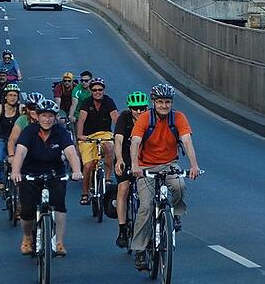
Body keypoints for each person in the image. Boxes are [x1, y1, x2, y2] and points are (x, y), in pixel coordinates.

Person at [130, 84, 201, 270]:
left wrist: (194, 165)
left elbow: (187, 141)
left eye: (167, 102)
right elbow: (135, 142)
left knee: (180, 186)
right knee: (145, 207)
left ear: (171, 103)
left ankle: (176, 214)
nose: (164, 106)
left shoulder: (178, 117)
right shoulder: (145, 118)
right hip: (145, 166)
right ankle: (139, 250)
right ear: (153, 102)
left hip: (170, 163)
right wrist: (135, 165)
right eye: (160, 102)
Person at [10, 99, 83, 256]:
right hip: (30, 173)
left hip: (55, 173)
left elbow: (70, 152)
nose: (47, 119)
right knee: (27, 210)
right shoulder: (29, 131)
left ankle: (59, 242)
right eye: (43, 115)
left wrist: (77, 170)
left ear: (55, 117)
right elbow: (21, 152)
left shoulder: (61, 132)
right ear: (37, 116)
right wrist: (15, 171)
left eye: (50, 116)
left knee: (59, 206)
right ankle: (27, 237)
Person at [113, 91, 150, 248]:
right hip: (126, 155)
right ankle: (122, 229)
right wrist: (119, 159)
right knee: (124, 187)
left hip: (145, 156)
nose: (139, 111)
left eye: (142, 108)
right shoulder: (124, 118)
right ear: (130, 108)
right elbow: (119, 140)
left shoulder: (151, 118)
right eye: (136, 108)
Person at [76, 77, 118, 205]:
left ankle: (107, 178)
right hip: (88, 136)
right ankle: (85, 193)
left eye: (100, 89)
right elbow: (81, 120)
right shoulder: (86, 102)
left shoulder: (109, 101)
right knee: (88, 166)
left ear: (103, 90)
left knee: (110, 148)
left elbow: (115, 117)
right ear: (91, 91)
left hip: (105, 134)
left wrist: (120, 132)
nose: (97, 92)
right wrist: (80, 135)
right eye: (94, 90)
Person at [0, 83, 22, 192]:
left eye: (15, 95)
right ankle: (0, 181)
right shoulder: (0, 107)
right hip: (3, 138)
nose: (13, 98)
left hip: (17, 141)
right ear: (6, 96)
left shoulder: (21, 108)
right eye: (10, 95)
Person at [6, 92, 44, 162]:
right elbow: (12, 139)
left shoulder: (47, 120)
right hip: (24, 153)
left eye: (38, 108)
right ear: (27, 109)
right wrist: (11, 155)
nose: (35, 111)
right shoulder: (22, 120)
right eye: (31, 108)